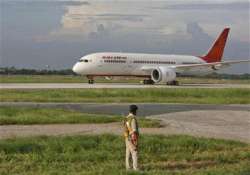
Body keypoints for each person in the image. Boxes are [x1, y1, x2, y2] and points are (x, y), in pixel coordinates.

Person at [123, 105, 139, 170]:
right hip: (132, 137)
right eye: (136, 111)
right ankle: (136, 168)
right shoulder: (133, 119)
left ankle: (128, 167)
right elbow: (134, 130)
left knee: (128, 153)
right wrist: (134, 140)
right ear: (134, 111)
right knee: (135, 152)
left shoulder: (126, 118)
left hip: (126, 137)